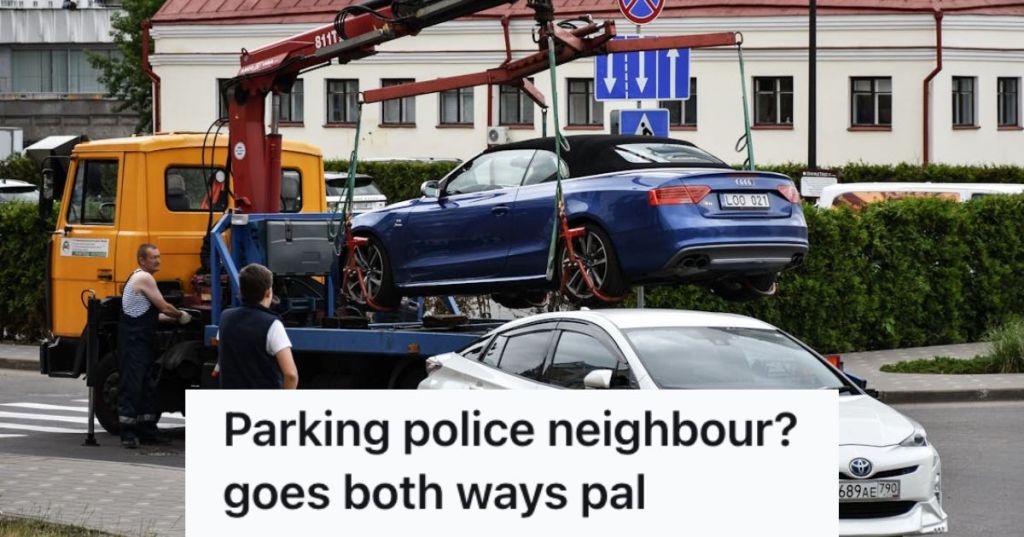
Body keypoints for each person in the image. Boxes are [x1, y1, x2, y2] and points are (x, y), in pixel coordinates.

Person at [119, 243, 191, 449]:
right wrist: (181, 316)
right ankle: (129, 434)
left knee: (147, 385)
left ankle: (147, 430)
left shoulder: (138, 277)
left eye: (159, 257)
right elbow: (164, 307)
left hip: (139, 340)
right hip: (134, 342)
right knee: (133, 386)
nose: (158, 261)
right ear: (142, 260)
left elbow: (151, 314)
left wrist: (171, 319)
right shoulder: (144, 278)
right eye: (153, 258)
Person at [218, 263, 299, 390]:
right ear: (268, 292)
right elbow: (291, 375)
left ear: (241, 291)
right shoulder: (272, 325)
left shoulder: (225, 318)